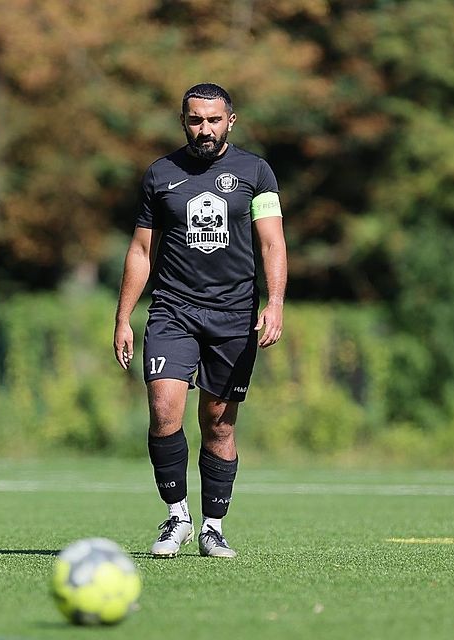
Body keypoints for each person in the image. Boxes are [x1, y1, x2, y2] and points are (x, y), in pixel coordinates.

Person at [113, 83, 287, 558]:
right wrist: (124, 317)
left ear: (231, 120)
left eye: (213, 120)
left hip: (234, 315)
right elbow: (141, 250)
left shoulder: (256, 172)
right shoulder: (160, 174)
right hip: (173, 309)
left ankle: (213, 526)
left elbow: (272, 242)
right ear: (183, 122)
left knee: (219, 424)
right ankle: (177, 517)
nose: (204, 129)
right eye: (195, 120)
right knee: (164, 408)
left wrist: (274, 303)